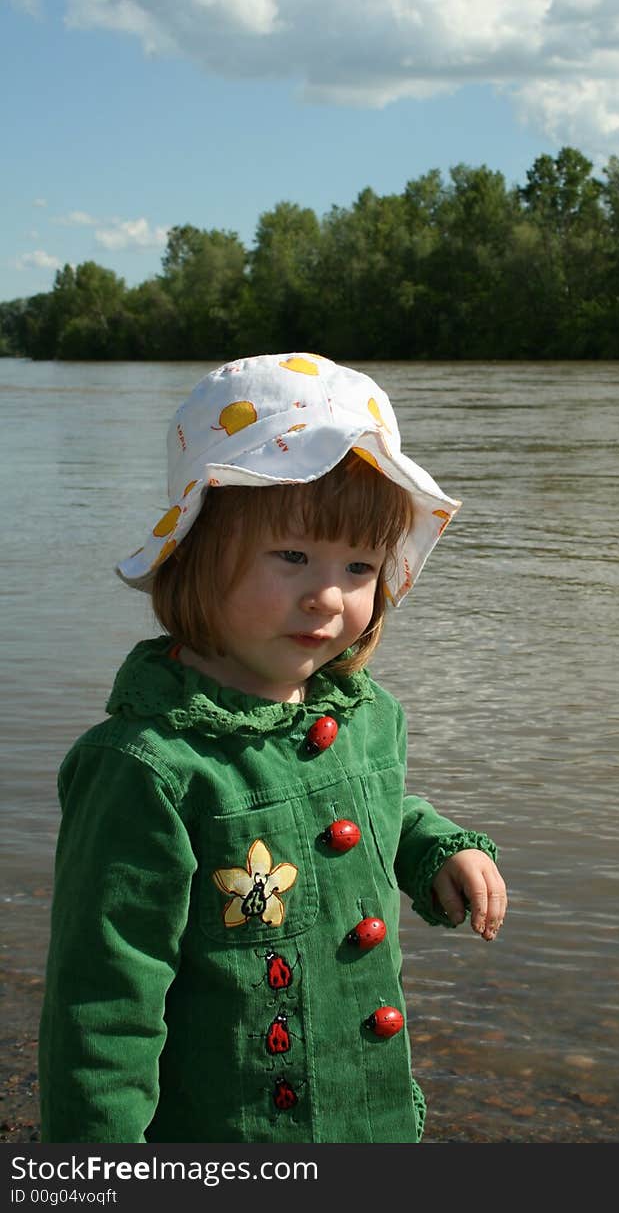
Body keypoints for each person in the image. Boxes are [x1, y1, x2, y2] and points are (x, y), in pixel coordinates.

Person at [38, 351, 507, 1143]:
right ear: (195, 552)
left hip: (373, 1116)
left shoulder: (367, 717)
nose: (328, 594)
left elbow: (370, 801)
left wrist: (431, 848)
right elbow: (103, 1011)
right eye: (292, 555)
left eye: (359, 566)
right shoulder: (148, 767)